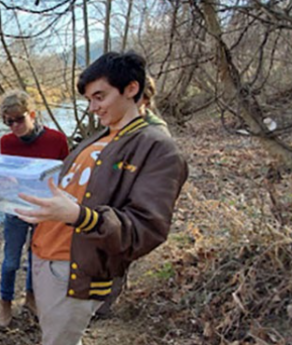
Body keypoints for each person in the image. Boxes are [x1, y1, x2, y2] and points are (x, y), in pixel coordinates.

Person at [16, 52, 189, 345]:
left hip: (74, 271)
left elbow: (146, 230)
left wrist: (79, 216)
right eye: (89, 100)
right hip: (43, 258)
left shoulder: (159, 149)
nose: (93, 108)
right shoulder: (101, 136)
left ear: (131, 89)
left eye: (100, 97)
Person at [93, 75, 172, 319]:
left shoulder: (155, 131)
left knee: (119, 252)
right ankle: (98, 300)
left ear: (143, 99)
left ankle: (105, 305)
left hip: (131, 202)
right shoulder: (120, 124)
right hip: (111, 197)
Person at [0, 90, 69, 327]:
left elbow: (66, 174)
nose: (14, 126)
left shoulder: (57, 139)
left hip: (45, 208)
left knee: (35, 257)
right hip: (16, 207)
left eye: (19, 119)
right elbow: (7, 175)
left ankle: (31, 298)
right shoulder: (6, 142)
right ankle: (5, 302)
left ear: (33, 114)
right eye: (8, 121)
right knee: (10, 261)